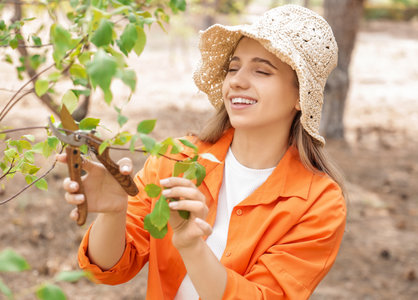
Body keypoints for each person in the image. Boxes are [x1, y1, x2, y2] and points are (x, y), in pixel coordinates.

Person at [57, 4, 347, 299]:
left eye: (261, 71)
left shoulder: (319, 203)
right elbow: (109, 268)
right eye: (233, 68)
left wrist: (192, 246)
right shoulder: (177, 158)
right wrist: (114, 211)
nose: (237, 81)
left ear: (301, 96)